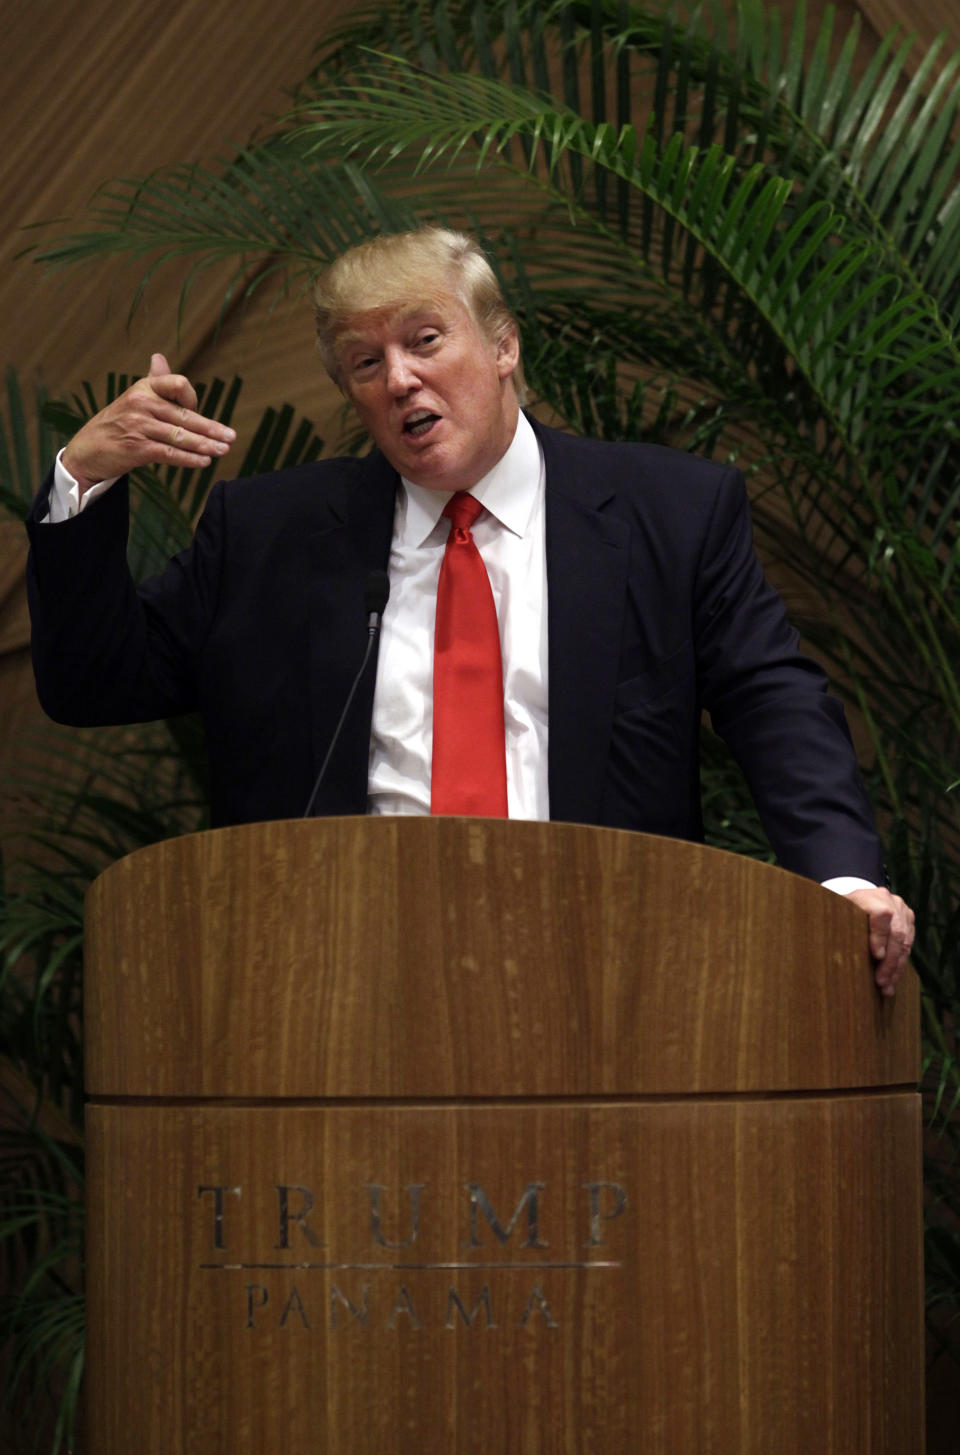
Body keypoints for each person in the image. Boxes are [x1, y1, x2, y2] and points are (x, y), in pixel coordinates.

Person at [25, 226, 914, 994]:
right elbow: (96, 682)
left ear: (503, 346)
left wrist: (838, 885)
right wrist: (85, 479)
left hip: (613, 967)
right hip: (336, 983)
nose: (401, 379)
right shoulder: (271, 535)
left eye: (425, 340)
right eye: (368, 364)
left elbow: (775, 701)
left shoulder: (668, 515)